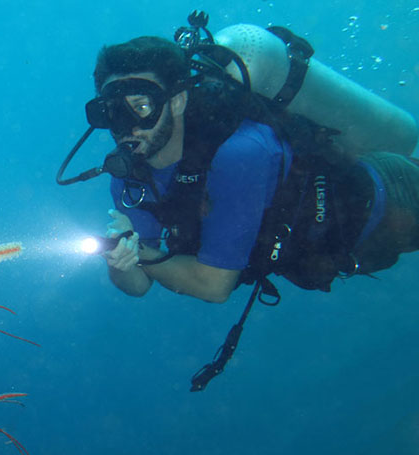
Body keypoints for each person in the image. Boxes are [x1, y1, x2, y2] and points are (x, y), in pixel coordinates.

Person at [90, 35, 419, 304]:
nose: (127, 127)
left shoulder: (238, 154)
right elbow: (137, 284)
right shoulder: (130, 177)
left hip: (392, 199)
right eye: (113, 112)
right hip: (342, 249)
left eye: (142, 107)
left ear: (177, 101)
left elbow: (213, 286)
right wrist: (120, 256)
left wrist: (142, 254)